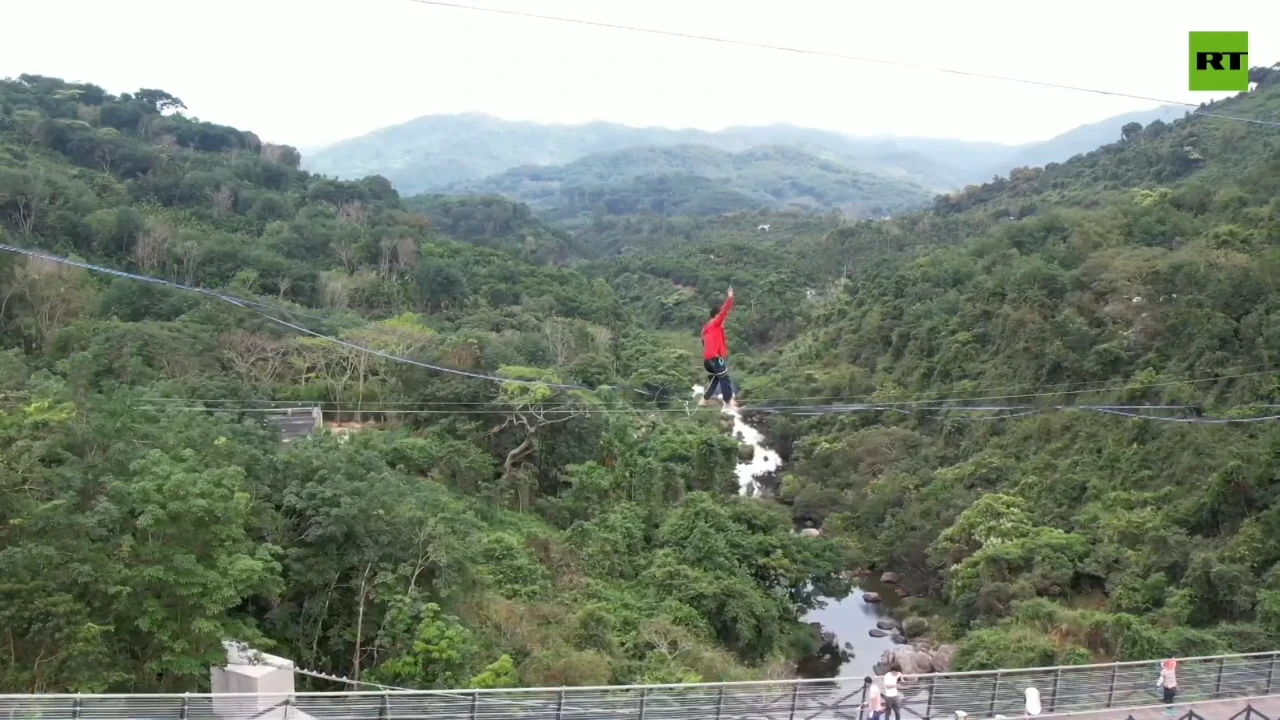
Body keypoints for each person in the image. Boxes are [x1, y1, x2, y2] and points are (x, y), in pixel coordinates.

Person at [699, 287, 738, 410]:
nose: (723, 322)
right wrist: (730, 297)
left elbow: (704, 343)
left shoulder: (705, 329)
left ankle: (703, 400)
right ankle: (728, 401)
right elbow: (724, 312)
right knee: (725, 377)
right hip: (715, 358)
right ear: (715, 316)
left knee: (715, 379)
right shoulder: (715, 324)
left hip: (707, 361)